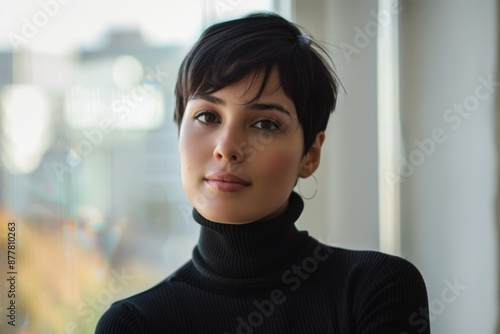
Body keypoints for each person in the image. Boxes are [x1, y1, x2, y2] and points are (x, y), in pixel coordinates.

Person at [96, 12, 430, 333]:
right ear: (179, 131)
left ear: (310, 155)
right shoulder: (134, 325)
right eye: (207, 117)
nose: (226, 148)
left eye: (265, 123)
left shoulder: (375, 289)